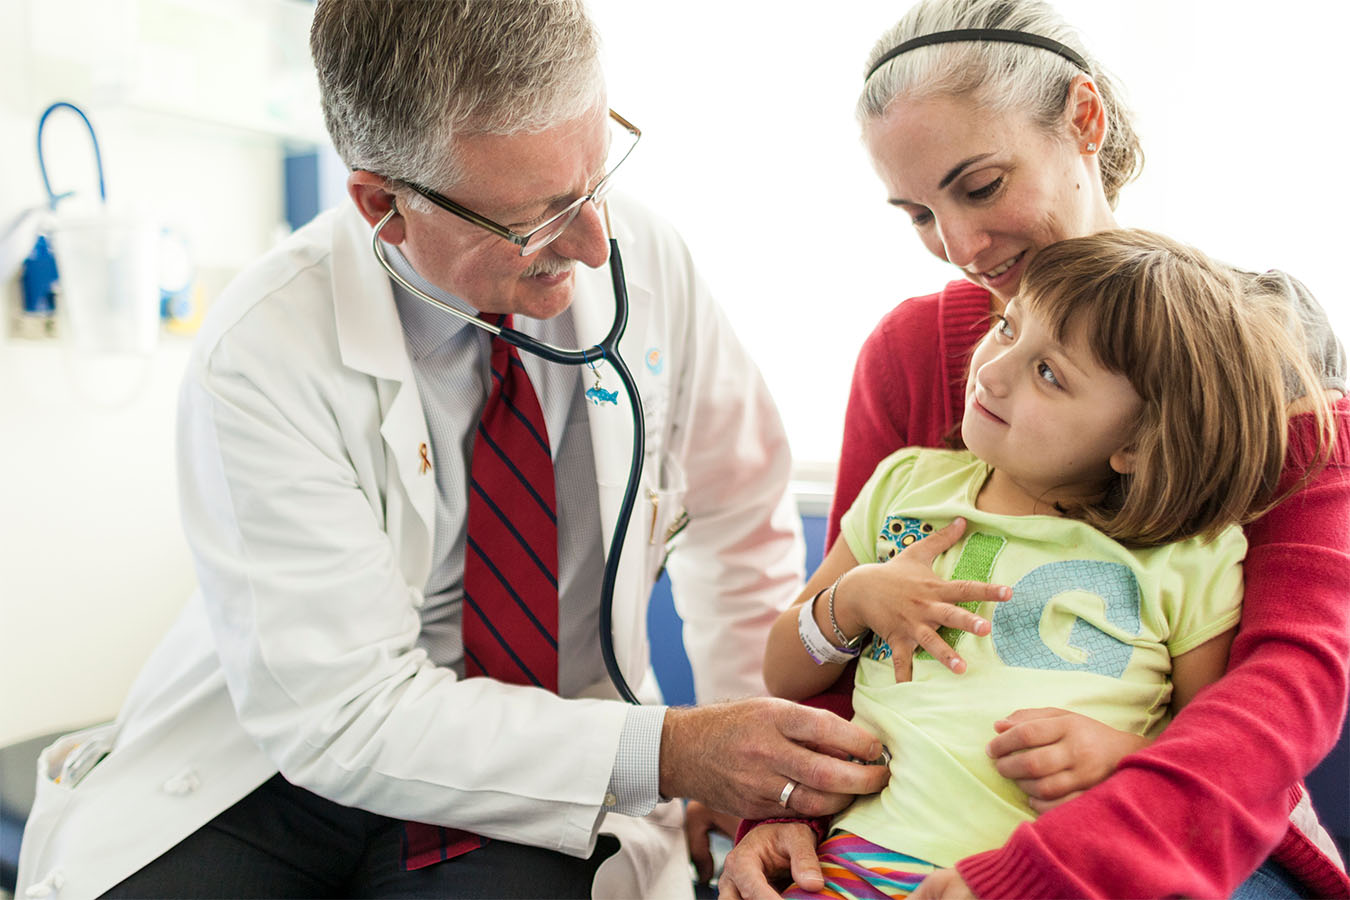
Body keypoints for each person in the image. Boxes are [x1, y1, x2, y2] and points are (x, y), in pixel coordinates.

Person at [15, 3, 889, 899]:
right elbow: (345, 713)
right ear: (382, 205)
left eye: (598, 177)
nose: (594, 246)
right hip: (276, 771)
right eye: (537, 220)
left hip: (548, 759)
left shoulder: (644, 257)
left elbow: (740, 521)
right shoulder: (263, 349)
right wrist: (673, 750)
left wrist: (760, 774)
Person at [719, 2, 1350, 898]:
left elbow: (1291, 680)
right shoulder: (915, 356)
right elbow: (839, 651)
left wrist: (1055, 864)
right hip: (900, 834)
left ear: (1085, 121)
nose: (959, 249)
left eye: (978, 186)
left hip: (1189, 815)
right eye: (917, 214)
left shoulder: (1256, 350)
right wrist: (782, 813)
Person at [759, 229, 1332, 898]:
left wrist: (1125, 757)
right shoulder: (905, 486)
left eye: (1049, 374)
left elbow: (1212, 756)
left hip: (1054, 876)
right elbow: (782, 674)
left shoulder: (1190, 557)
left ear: (1140, 443)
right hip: (859, 863)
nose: (993, 371)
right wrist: (850, 602)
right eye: (1007, 327)